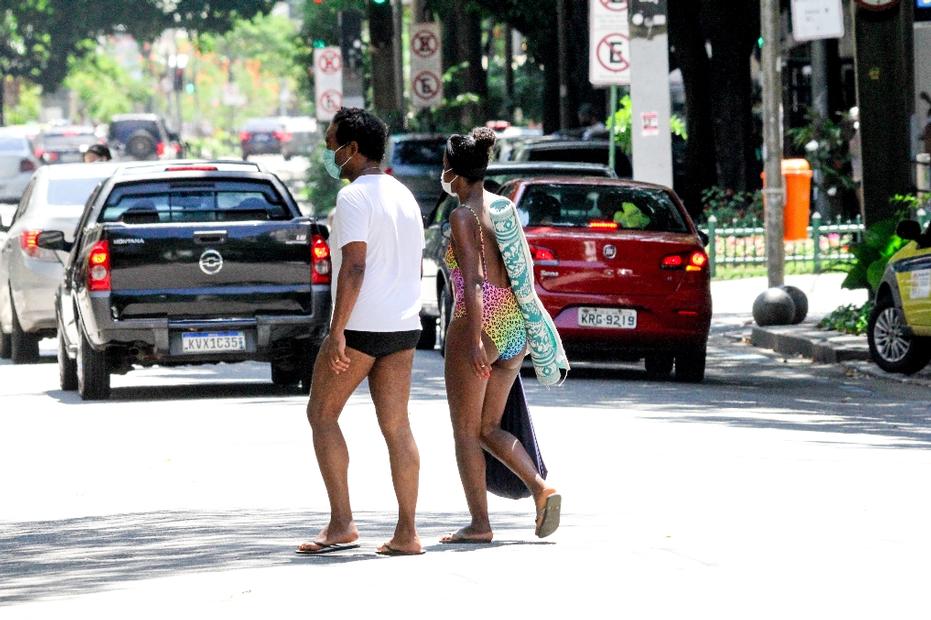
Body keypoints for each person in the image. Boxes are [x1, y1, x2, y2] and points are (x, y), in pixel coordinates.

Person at [297, 107, 426, 557]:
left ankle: (342, 523)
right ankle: (407, 533)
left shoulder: (353, 199)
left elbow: (354, 266)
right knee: (397, 427)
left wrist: (337, 331)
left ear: (352, 149)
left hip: (361, 327)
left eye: (332, 144)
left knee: (321, 414)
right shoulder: (404, 195)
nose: (329, 153)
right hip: (404, 327)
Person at [440, 127, 561, 544]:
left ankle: (479, 524)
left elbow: (472, 281)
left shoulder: (462, 215)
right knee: (488, 427)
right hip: (513, 324)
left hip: (481, 322)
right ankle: (542, 489)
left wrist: (473, 339)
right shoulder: (504, 207)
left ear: (453, 171)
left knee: (465, 431)